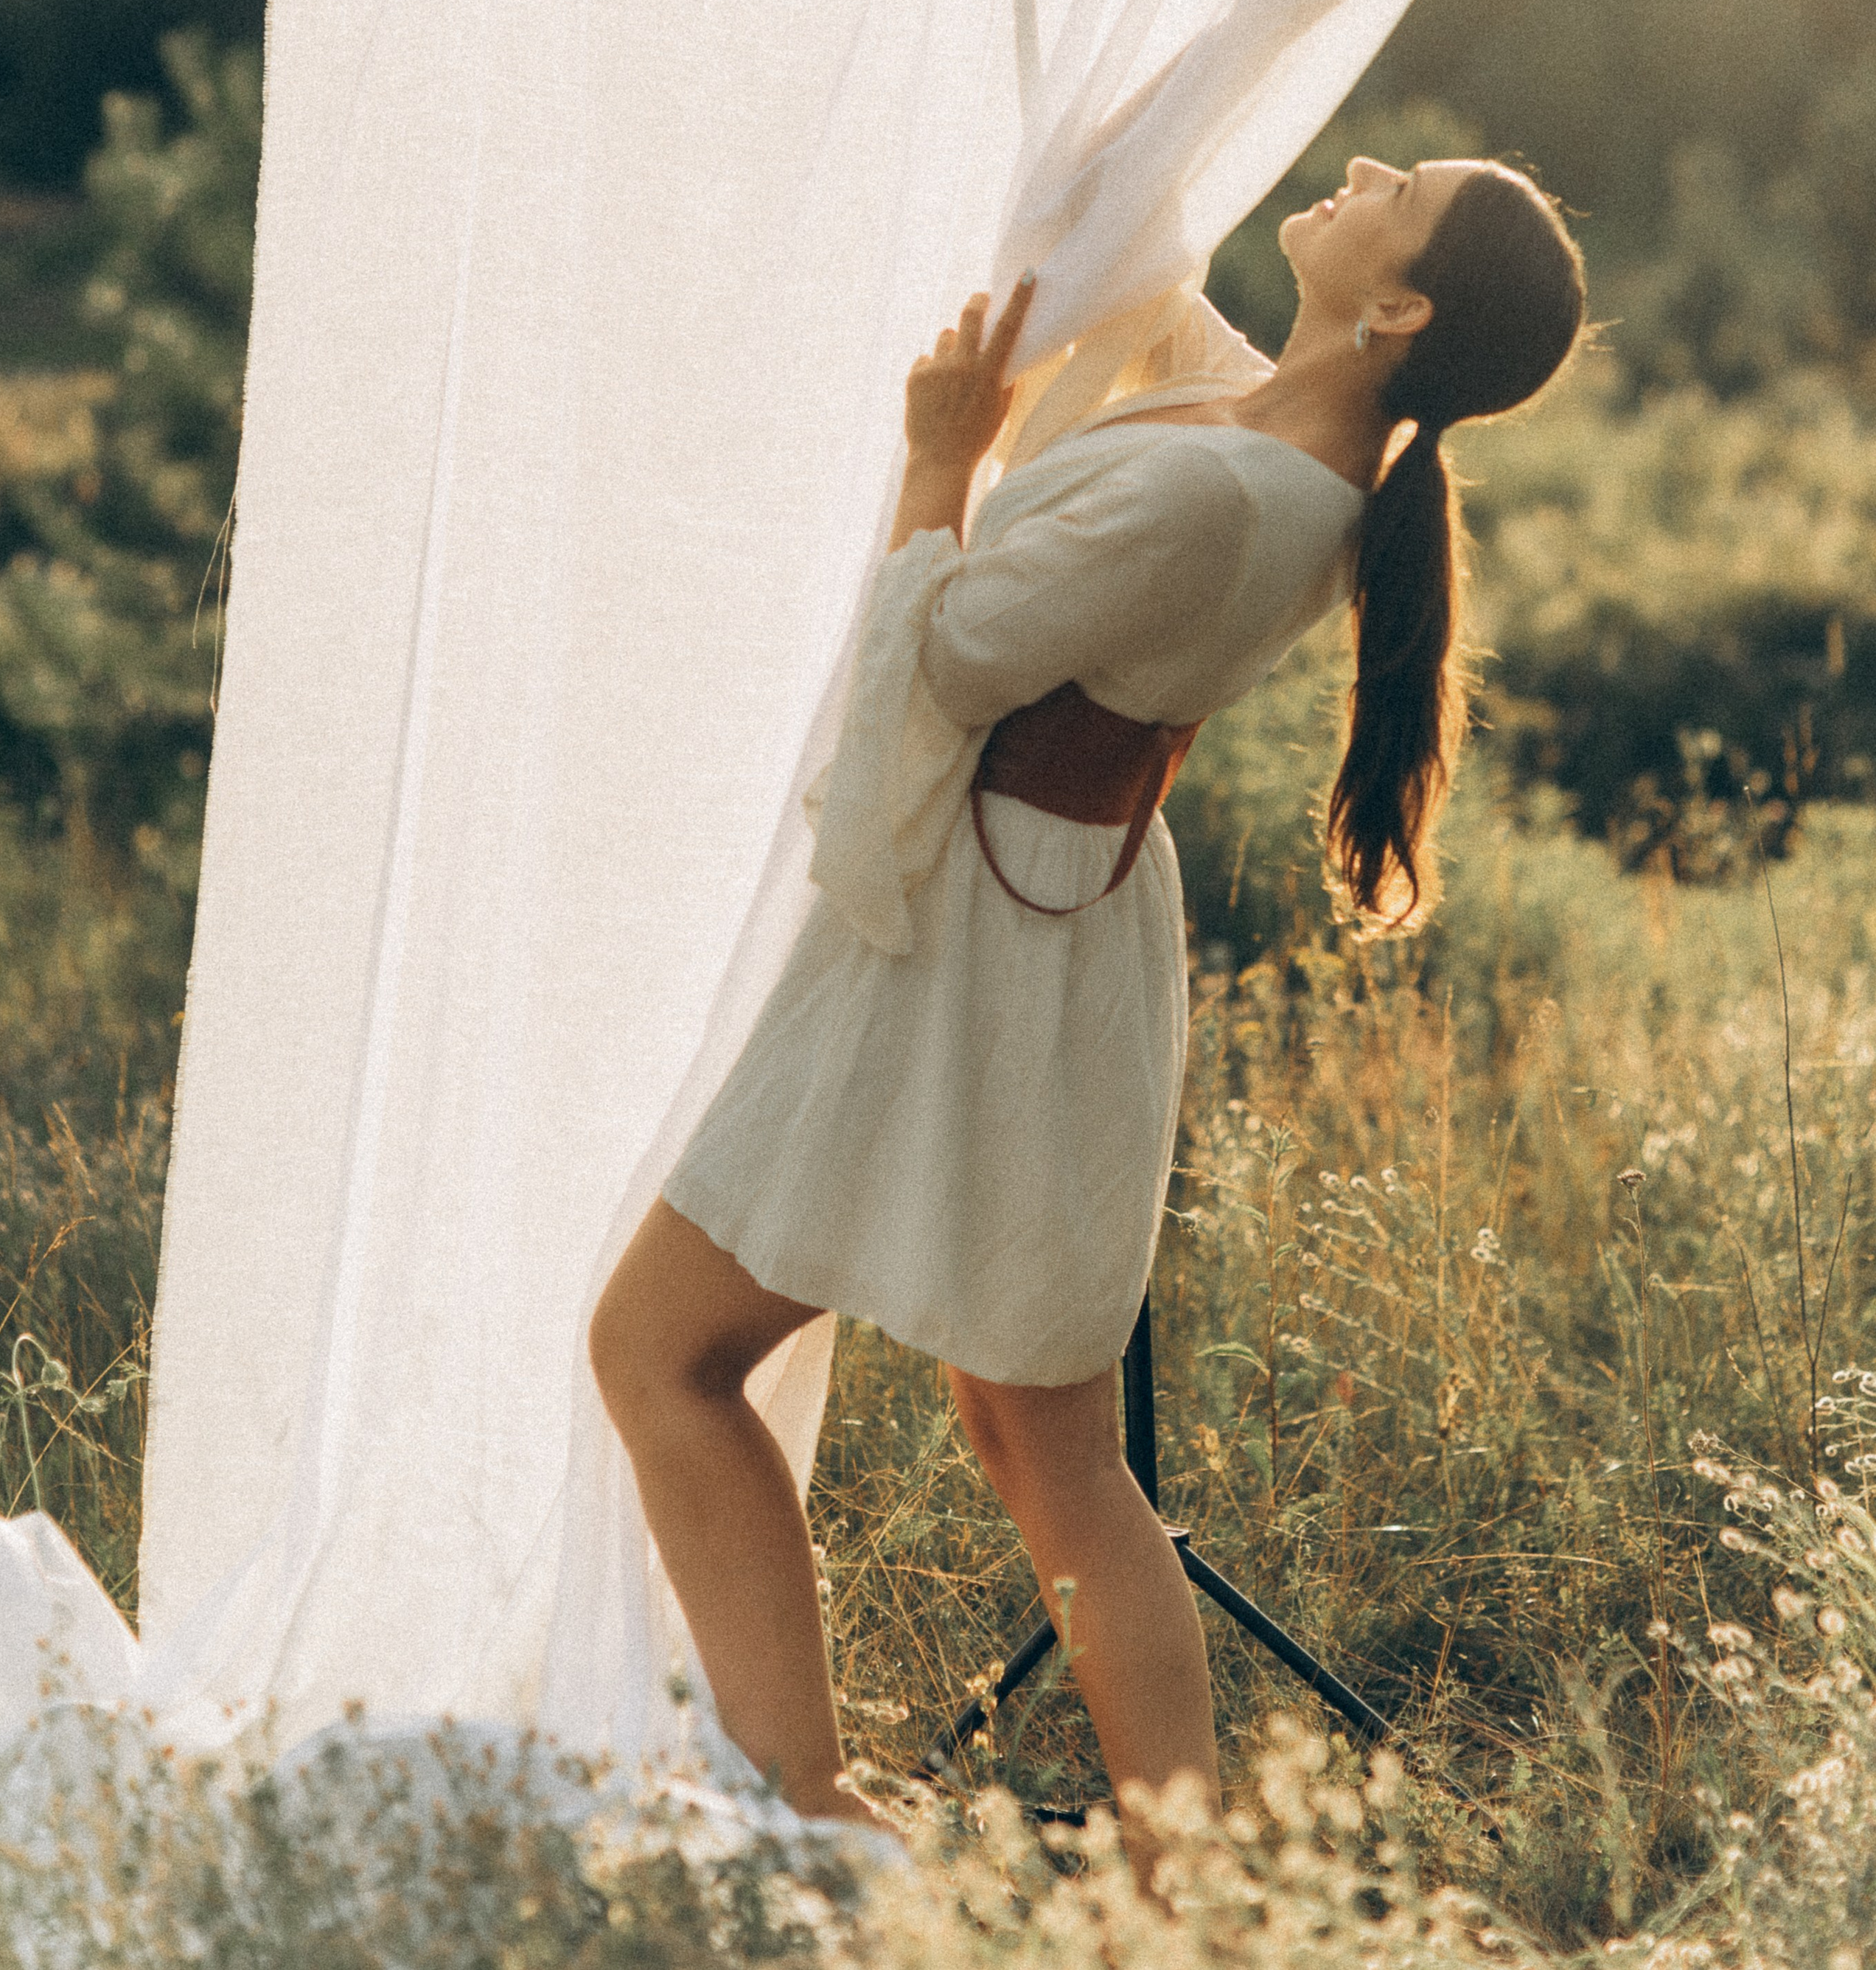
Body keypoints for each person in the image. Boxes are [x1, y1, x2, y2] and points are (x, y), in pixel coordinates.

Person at [590, 153, 1586, 1870]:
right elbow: (1156, 296)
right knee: (1032, 1431)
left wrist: (936, 457)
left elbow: (959, 653)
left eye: (1394, 184)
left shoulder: (1240, 496)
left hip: (974, 946)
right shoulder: (1273, 426)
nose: (1354, 167)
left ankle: (853, 1811)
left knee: (669, 1354)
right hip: (1040, 923)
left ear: (1397, 307)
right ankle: (1145, 1865)